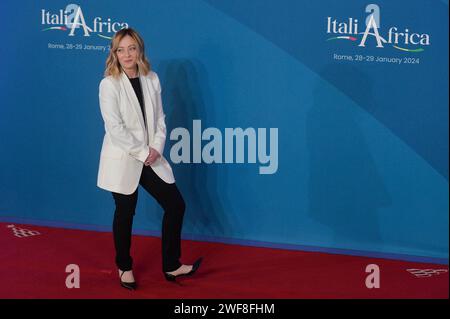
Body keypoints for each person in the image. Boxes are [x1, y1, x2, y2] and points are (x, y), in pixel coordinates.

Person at [97, 27, 202, 290]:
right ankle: (124, 266)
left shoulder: (151, 78)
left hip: (150, 154)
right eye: (121, 49)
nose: (127, 54)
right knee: (125, 213)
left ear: (139, 49)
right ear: (114, 53)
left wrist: (155, 147)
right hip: (123, 158)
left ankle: (171, 264)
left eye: (131, 48)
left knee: (175, 205)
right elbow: (115, 128)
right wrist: (144, 152)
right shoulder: (109, 84)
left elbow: (160, 120)